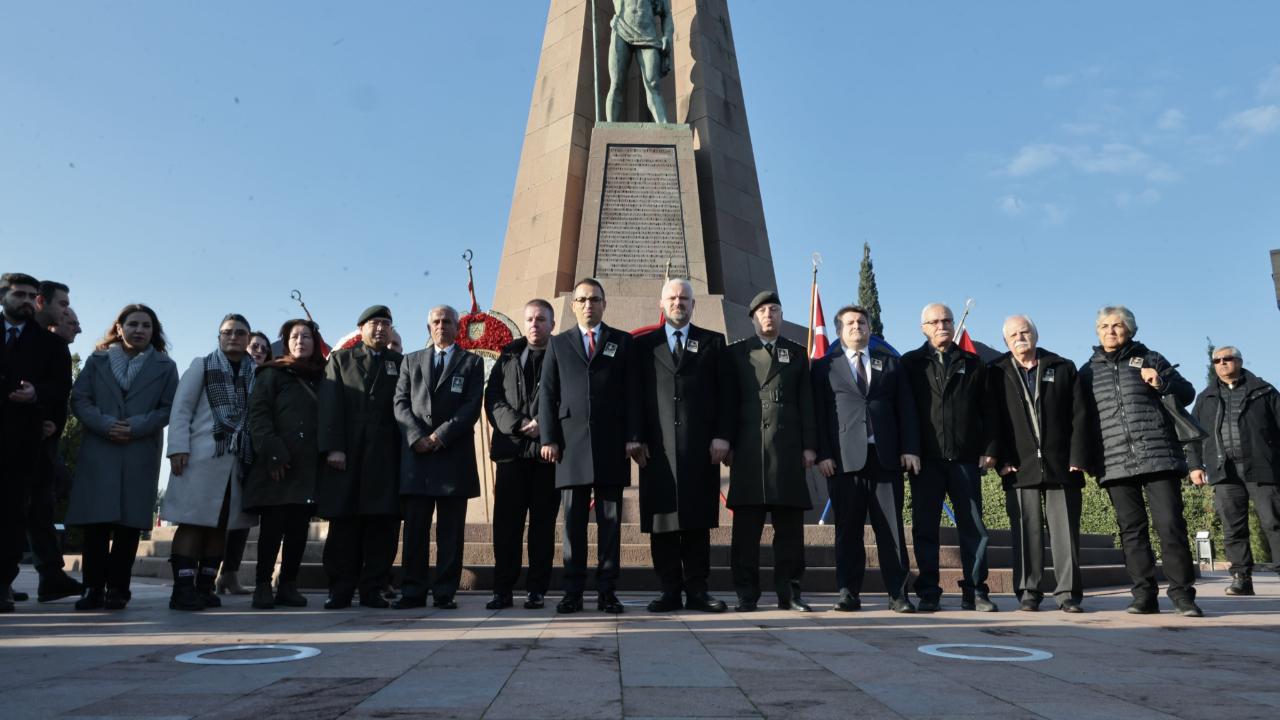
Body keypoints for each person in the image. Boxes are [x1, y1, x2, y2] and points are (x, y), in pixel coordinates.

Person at [1078, 305, 1202, 616]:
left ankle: (1183, 594)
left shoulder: (1151, 358)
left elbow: (1187, 391)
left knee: (1170, 525)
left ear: (1129, 330)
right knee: (1131, 531)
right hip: (1114, 460)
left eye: (1117, 325)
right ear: (1097, 331)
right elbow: (1082, 420)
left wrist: (1161, 382)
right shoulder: (1087, 371)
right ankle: (1144, 595)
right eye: (1104, 326)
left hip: (1159, 456)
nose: (1110, 331)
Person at [66, 303, 178, 611]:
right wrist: (104, 423)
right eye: (133, 324)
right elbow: (80, 398)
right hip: (100, 447)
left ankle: (118, 588)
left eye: (146, 326)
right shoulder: (97, 360)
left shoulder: (165, 367)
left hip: (139, 448)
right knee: (97, 524)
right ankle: (91, 588)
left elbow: (169, 407)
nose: (139, 330)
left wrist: (137, 426)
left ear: (154, 333)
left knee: (129, 526)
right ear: (119, 328)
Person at [627, 279, 730, 613]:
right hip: (656, 451)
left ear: (693, 304)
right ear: (662, 303)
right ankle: (669, 590)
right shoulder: (643, 346)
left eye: (684, 298)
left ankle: (698, 591)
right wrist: (634, 436)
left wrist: (722, 436)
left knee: (698, 523)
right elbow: (635, 396)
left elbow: (725, 395)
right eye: (672, 297)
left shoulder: (713, 343)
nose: (678, 302)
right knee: (663, 524)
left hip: (700, 449)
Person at [812, 305, 920, 613]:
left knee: (892, 531)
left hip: (886, 460)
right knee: (848, 531)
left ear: (870, 329)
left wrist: (910, 448)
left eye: (862, 322)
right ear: (839, 331)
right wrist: (823, 454)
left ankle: (899, 595)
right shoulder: (825, 367)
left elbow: (906, 409)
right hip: (844, 462)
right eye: (850, 323)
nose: (857, 326)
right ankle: (848, 592)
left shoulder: (890, 364)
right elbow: (820, 415)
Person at [539, 278, 633, 614]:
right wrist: (548, 438)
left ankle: (607, 591)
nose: (588, 305)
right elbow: (548, 394)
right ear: (574, 304)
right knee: (573, 525)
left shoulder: (621, 341)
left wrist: (633, 436)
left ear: (604, 304)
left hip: (611, 444)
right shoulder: (558, 343)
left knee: (610, 525)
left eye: (594, 299)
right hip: (570, 445)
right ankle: (572, 592)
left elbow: (631, 393)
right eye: (582, 300)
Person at [719, 291, 816, 612]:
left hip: (787, 451)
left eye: (774, 309)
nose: (769, 315)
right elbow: (727, 402)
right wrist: (726, 441)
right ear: (753, 318)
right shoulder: (737, 354)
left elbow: (807, 405)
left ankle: (790, 592)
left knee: (790, 532)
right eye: (762, 311)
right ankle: (747, 593)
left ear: (781, 315)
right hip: (749, 452)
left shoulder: (798, 353)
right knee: (746, 533)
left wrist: (810, 446)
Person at [901, 303, 998, 612]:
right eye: (934, 321)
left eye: (946, 320)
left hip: (966, 459)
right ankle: (928, 591)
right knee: (925, 528)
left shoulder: (974, 363)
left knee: (973, 528)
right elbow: (905, 412)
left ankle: (976, 590)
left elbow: (990, 411)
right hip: (925, 461)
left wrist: (990, 447)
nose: (941, 325)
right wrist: (910, 448)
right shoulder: (910, 363)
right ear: (923, 328)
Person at [987, 315, 1087, 613]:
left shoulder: (1062, 366)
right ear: (1006, 341)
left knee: (1065, 533)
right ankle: (1029, 591)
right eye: (1014, 334)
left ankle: (1068, 593)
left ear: (1036, 334)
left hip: (1062, 465)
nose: (1020, 338)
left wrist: (1078, 456)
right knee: (1025, 532)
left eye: (1025, 331)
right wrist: (1001, 460)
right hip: (1018, 466)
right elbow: (992, 420)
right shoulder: (996, 372)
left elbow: (1080, 415)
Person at [160, 314, 258, 611]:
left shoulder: (257, 372)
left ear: (248, 338)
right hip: (199, 458)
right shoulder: (201, 365)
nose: (233, 337)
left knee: (220, 526)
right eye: (227, 332)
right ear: (219, 337)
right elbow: (181, 410)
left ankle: (204, 587)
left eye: (240, 333)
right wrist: (177, 447)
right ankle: (182, 590)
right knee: (192, 523)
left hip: (237, 462)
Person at [393, 305, 484, 610]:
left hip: (452, 456)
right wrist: (417, 437)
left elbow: (471, 406)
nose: (441, 326)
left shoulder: (472, 362)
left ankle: (445, 591)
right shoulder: (411, 360)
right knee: (416, 530)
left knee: (451, 531)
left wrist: (439, 436)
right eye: (436, 321)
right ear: (428, 326)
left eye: (447, 321)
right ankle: (412, 591)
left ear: (458, 327)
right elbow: (400, 402)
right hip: (417, 458)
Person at [318, 306, 404, 610]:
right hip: (349, 455)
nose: (381, 329)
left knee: (382, 527)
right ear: (361, 328)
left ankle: (373, 588)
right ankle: (340, 589)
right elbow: (330, 407)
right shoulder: (341, 360)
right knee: (345, 527)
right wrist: (334, 447)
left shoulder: (400, 363)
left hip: (386, 457)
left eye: (386, 324)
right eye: (375, 323)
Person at [1, 273, 73, 613]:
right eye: (20, 295)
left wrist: (36, 395)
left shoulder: (50, 344)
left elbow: (60, 388)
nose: (27, 301)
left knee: (13, 515)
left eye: (32, 295)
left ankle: (2, 582)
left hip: (22, 442)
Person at [484, 299, 559, 610]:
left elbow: (571, 397)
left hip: (547, 455)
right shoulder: (509, 354)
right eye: (529, 318)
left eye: (541, 319)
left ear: (551, 324)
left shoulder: (563, 353)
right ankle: (503, 589)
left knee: (543, 527)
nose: (534, 324)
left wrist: (545, 425)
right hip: (512, 454)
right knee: (507, 526)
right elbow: (494, 399)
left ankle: (537, 589)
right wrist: (519, 425)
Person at [244, 319, 324, 610]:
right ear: (286, 342)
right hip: (277, 462)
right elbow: (259, 415)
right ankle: (263, 584)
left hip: (308, 464)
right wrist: (273, 453)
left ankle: (288, 584)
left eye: (306, 336)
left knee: (299, 528)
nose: (300, 341)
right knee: (273, 527)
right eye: (294, 336)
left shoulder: (321, 375)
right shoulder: (271, 373)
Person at [1187, 346, 1280, 596]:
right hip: (1223, 470)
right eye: (1217, 360)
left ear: (1239, 361)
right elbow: (1193, 436)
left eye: (1227, 359)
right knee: (1233, 527)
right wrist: (1195, 465)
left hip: (1263, 467)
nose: (1222, 363)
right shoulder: (1205, 397)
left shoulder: (1264, 391)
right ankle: (1241, 578)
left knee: (1274, 521)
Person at [22, 285, 83, 604]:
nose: (69, 317)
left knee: (40, 508)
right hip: (17, 437)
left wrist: (52, 423)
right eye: (65, 308)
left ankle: (50, 575)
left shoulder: (53, 348)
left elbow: (59, 393)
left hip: (43, 442)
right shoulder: (21, 341)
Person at [214, 331, 274, 596]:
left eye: (263, 347)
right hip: (227, 453)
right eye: (255, 346)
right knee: (221, 516)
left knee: (243, 519)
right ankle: (209, 572)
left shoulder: (269, 377)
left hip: (257, 456)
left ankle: (230, 574)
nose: (259, 350)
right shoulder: (229, 374)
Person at [605, 0, 674, 123]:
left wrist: (667, 36)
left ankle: (664, 128)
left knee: (653, 85)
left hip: (648, 35)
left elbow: (667, 15)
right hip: (621, 29)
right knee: (616, 84)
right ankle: (608, 130)